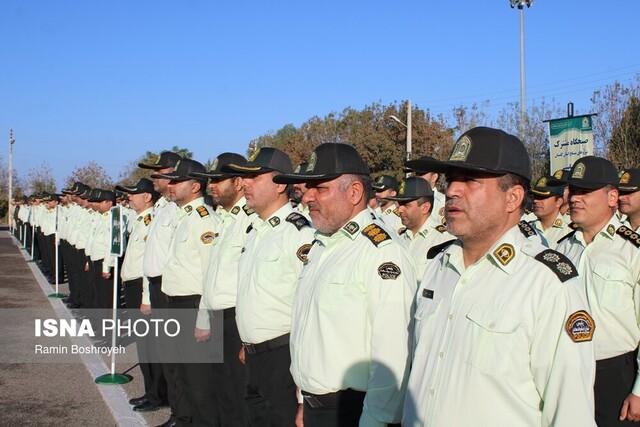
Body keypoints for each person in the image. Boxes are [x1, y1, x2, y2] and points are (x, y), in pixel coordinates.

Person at [403, 127, 596, 426]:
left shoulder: (546, 283)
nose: (452, 190)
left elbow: (570, 414)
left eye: (471, 181)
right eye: (452, 179)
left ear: (513, 198)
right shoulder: (438, 266)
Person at [274, 143, 417, 426]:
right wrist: (305, 401)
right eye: (309, 188)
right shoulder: (321, 244)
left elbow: (394, 354)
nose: (308, 198)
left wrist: (376, 420)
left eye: (321, 188)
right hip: (318, 407)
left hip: (354, 411)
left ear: (354, 193)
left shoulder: (380, 252)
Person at [224, 147, 316, 426]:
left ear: (280, 186)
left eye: (255, 177)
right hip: (253, 355)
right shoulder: (256, 230)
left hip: (283, 356)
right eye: (244, 178)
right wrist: (246, 340)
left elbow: (308, 307)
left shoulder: (299, 232)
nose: (245, 184)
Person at [555, 156, 640, 426]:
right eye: (573, 190)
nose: (574, 198)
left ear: (612, 197)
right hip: (567, 370)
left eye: (585, 191)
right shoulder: (561, 250)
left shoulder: (632, 250)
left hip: (616, 375)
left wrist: (639, 390)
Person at [152, 158, 222, 426]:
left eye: (178, 181)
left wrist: (203, 319)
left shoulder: (204, 221)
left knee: (200, 382)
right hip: (175, 303)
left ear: (195, 186)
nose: (171, 185)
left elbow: (209, 276)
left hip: (194, 306)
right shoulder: (184, 217)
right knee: (181, 372)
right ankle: (184, 420)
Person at [192, 152, 256, 427]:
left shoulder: (250, 220)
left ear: (239, 182)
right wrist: (204, 317)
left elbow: (249, 282)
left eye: (219, 180)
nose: (212, 186)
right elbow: (213, 277)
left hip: (236, 320)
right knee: (222, 393)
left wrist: (245, 334)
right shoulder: (225, 220)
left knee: (240, 395)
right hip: (218, 317)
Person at [137, 150, 181, 427]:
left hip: (170, 289)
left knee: (177, 360)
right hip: (156, 286)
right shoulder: (163, 208)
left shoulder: (181, 210)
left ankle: (181, 413)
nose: (154, 177)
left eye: (160, 173)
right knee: (166, 356)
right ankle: (176, 410)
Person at [115, 178, 167, 413]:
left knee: (150, 346)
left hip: (142, 288)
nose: (129, 198)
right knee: (143, 346)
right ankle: (151, 392)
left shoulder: (150, 222)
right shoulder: (140, 220)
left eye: (134, 194)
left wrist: (146, 297)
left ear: (147, 197)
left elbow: (149, 263)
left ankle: (157, 394)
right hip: (133, 286)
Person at [384, 176, 452, 281]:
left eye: (406, 204)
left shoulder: (443, 240)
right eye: (399, 204)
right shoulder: (399, 238)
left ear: (425, 207)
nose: (400, 209)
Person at [529, 175, 572, 249]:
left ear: (558, 202)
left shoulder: (569, 231)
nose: (536, 201)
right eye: (535, 196)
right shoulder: (527, 228)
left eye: (542, 197)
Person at [405, 155, 446, 224]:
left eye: (421, 174)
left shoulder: (442, 202)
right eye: (416, 174)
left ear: (434, 177)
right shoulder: (408, 198)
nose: (417, 177)